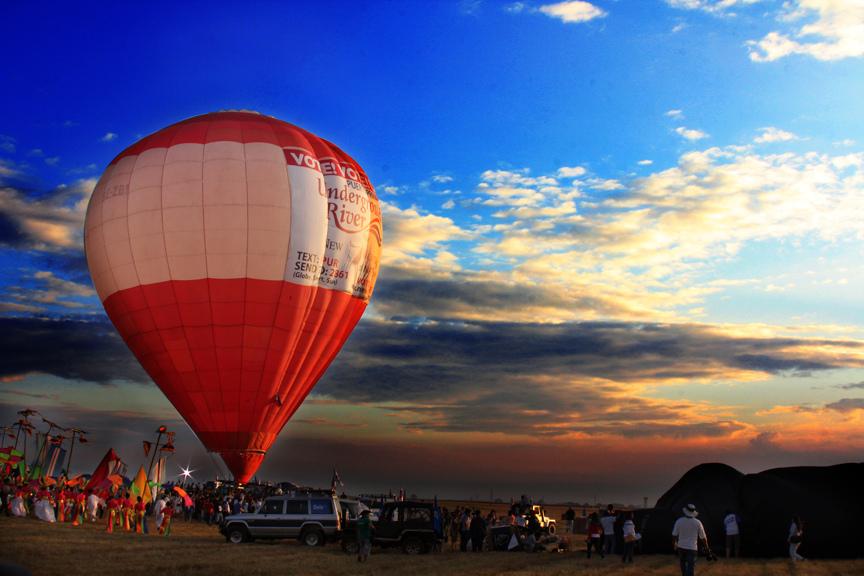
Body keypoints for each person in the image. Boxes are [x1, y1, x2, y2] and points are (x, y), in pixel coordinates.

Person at [672, 504, 708, 576]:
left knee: (683, 566)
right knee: (691, 567)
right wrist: (706, 547)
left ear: (685, 511)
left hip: (681, 547)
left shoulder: (679, 521)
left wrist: (675, 544)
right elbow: (703, 537)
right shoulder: (698, 522)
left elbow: (674, 535)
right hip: (692, 548)